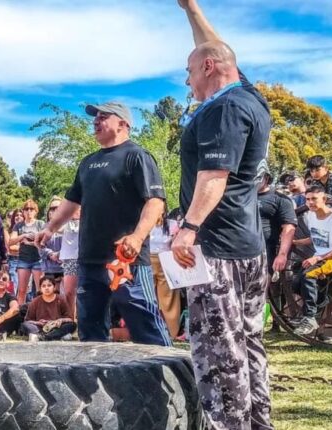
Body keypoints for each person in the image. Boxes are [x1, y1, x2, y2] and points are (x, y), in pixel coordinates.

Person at [171, 1, 273, 428]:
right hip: (248, 247)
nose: (188, 81)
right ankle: (257, 422)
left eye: (191, 72)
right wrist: (190, 8)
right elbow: (216, 48)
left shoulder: (222, 109)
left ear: (209, 68)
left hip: (217, 251)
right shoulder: (249, 97)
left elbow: (214, 174)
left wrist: (188, 229)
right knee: (248, 344)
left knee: (218, 354)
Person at [37, 101, 171, 347]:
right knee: (90, 330)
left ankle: (169, 375)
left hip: (125, 261)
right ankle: (93, 381)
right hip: (89, 260)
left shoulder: (137, 156)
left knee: (145, 324)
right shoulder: (87, 163)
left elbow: (155, 202)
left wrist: (137, 237)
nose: (95, 121)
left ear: (123, 123)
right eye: (95, 117)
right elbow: (71, 201)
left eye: (103, 117)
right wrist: (49, 228)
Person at [291, 184, 332, 336]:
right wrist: (296, 242)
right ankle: (320, 303)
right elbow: (316, 237)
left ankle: (310, 317)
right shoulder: (311, 215)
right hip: (320, 258)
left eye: (314, 199)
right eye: (308, 199)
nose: (310, 203)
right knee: (296, 282)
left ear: (324, 199)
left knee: (309, 276)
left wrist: (317, 257)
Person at [149, 209, 182, 339]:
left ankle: (172, 331)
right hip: (147, 260)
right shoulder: (143, 223)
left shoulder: (171, 224)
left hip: (166, 261)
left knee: (169, 297)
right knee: (148, 295)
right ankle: (149, 329)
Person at [10, 199, 45, 304]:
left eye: (31, 209)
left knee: (40, 290)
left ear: (36, 211)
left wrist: (32, 242)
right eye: (26, 209)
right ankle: (20, 315)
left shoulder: (40, 224)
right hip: (23, 260)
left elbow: (45, 242)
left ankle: (41, 313)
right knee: (21, 290)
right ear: (23, 211)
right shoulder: (19, 225)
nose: (29, 211)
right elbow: (10, 242)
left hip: (38, 259)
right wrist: (24, 236)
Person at [21, 276, 76, 341]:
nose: (46, 288)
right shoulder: (35, 301)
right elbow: (28, 321)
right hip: (40, 328)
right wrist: (39, 323)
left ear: (54, 287)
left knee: (72, 325)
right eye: (43, 286)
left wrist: (61, 320)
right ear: (40, 289)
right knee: (24, 325)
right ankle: (56, 336)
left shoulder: (61, 300)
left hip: (56, 327)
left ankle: (44, 337)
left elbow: (70, 319)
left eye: (49, 285)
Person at [59, 206, 80, 317]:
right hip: (69, 260)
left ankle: (82, 320)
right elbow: (56, 228)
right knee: (69, 292)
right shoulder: (65, 222)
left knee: (83, 291)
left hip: (84, 259)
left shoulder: (87, 220)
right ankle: (71, 319)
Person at [39, 196, 64, 283]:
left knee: (67, 295)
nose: (55, 210)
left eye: (58, 208)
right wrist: (50, 254)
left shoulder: (70, 225)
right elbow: (40, 246)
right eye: (52, 208)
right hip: (49, 268)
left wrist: (59, 255)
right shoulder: (44, 227)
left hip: (66, 268)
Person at [5, 209, 24, 293]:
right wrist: (26, 245)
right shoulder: (8, 231)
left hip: (27, 259)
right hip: (14, 260)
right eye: (16, 215)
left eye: (21, 215)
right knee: (14, 287)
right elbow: (11, 247)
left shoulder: (27, 229)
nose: (19, 217)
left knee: (26, 288)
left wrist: (17, 244)